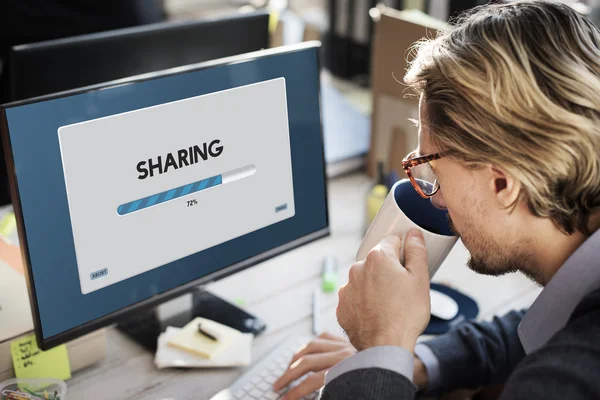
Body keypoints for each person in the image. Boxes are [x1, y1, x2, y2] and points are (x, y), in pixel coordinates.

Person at [273, 0, 600, 398]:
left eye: (432, 170)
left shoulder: (567, 382)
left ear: (503, 185)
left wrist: (381, 347)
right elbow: (540, 327)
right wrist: (409, 362)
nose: (436, 199)